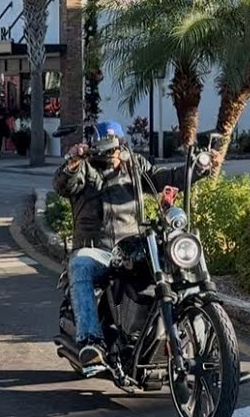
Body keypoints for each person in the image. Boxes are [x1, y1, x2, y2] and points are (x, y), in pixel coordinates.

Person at [52, 122, 213, 369]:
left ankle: (198, 344)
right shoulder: (84, 168)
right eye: (104, 149)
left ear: (122, 145)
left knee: (175, 266)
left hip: (134, 247)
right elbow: (63, 184)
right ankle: (91, 341)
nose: (111, 155)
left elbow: (165, 177)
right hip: (97, 250)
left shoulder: (135, 165)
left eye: (114, 147)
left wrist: (197, 168)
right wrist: (74, 159)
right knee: (79, 265)